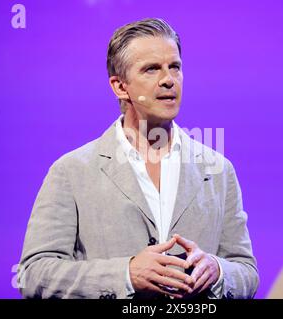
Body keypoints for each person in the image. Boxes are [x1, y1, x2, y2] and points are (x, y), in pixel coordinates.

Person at [18, 18, 259, 299]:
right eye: (151, 69)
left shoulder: (218, 170)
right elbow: (34, 274)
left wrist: (219, 271)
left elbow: (246, 271)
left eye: (175, 67)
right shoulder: (71, 172)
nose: (168, 79)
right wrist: (126, 275)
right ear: (120, 87)